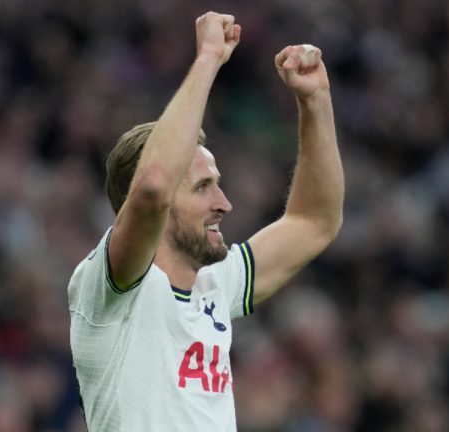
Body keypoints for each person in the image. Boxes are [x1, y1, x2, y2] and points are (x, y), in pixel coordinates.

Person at [67, 11, 344, 431]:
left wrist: (316, 100)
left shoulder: (216, 283)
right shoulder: (111, 288)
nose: (224, 203)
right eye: (202, 187)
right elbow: (155, 186)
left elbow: (315, 221)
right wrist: (209, 57)